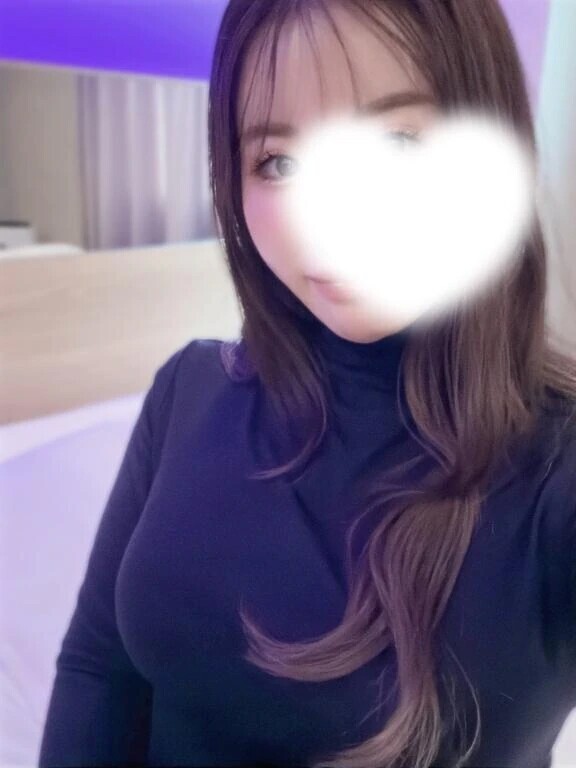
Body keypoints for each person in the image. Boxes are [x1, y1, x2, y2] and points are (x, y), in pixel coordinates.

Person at [39, 1, 576, 767]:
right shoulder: (189, 389)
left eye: (396, 143)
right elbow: (101, 666)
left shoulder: (557, 466)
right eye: (279, 162)